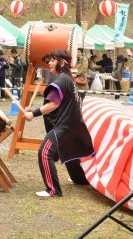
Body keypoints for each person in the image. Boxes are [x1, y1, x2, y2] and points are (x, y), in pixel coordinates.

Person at [24, 49, 94, 197]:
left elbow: (53, 105)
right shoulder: (68, 79)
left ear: (62, 63)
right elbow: (58, 103)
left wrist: (33, 114)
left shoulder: (61, 80)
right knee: (69, 151)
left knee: (44, 153)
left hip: (66, 125)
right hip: (75, 124)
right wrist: (34, 109)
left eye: (53, 60)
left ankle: (53, 190)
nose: (49, 63)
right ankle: (79, 180)